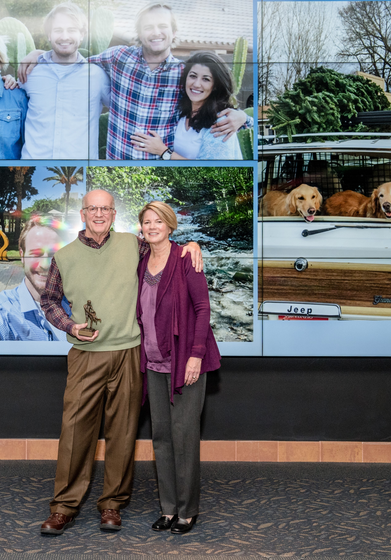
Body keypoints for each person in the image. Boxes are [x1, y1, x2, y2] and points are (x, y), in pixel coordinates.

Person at [38, 189, 203, 536]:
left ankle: (112, 505)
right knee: (75, 432)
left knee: (123, 433)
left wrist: (191, 245)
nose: (99, 214)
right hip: (86, 356)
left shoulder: (133, 245)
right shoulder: (64, 257)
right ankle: (63, 506)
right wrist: (69, 325)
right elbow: (49, 300)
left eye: (106, 209)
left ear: (114, 214)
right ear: (83, 214)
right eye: (93, 208)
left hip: (130, 352)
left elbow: (164, 246)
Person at [19, 3, 251, 160]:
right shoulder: (117, 57)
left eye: (162, 27)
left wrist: (244, 118)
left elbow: (214, 101)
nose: (155, 32)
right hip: (115, 167)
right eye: (148, 27)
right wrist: (38, 54)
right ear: (139, 32)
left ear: (173, 32)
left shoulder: (184, 74)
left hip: (159, 170)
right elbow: (72, 60)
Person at [136, 201, 220, 535]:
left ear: (170, 225)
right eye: (146, 221)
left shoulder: (186, 257)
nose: (153, 226)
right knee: (162, 438)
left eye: (159, 221)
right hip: (154, 365)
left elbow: (202, 308)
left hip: (185, 363)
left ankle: (187, 512)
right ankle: (168, 508)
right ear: (141, 228)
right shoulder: (141, 260)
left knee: (184, 436)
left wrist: (196, 355)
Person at [19, 2, 109, 159]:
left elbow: (124, 110)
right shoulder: (30, 73)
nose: (65, 36)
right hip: (30, 171)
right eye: (58, 30)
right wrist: (7, 79)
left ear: (82, 35)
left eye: (72, 30)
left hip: (80, 174)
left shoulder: (97, 76)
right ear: (49, 35)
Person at [0, 216, 69, 341]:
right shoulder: (2, 312)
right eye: (36, 254)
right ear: (22, 256)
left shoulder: (81, 304)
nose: (45, 265)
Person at [131, 51, 243, 159]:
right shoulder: (181, 112)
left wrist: (162, 151)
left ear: (215, 86)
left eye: (206, 79)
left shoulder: (221, 124)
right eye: (193, 76)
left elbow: (211, 170)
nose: (196, 84)